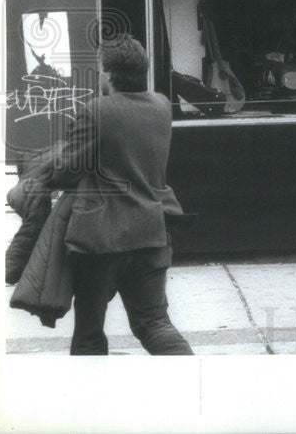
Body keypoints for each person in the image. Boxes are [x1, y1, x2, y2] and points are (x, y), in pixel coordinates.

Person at [40, 35, 194, 354]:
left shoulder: (96, 111)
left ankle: (93, 400)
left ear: (109, 73)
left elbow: (65, 172)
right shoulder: (161, 106)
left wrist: (53, 161)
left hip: (100, 242)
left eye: (100, 70)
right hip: (150, 234)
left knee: (89, 331)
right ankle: (194, 386)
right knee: (154, 324)